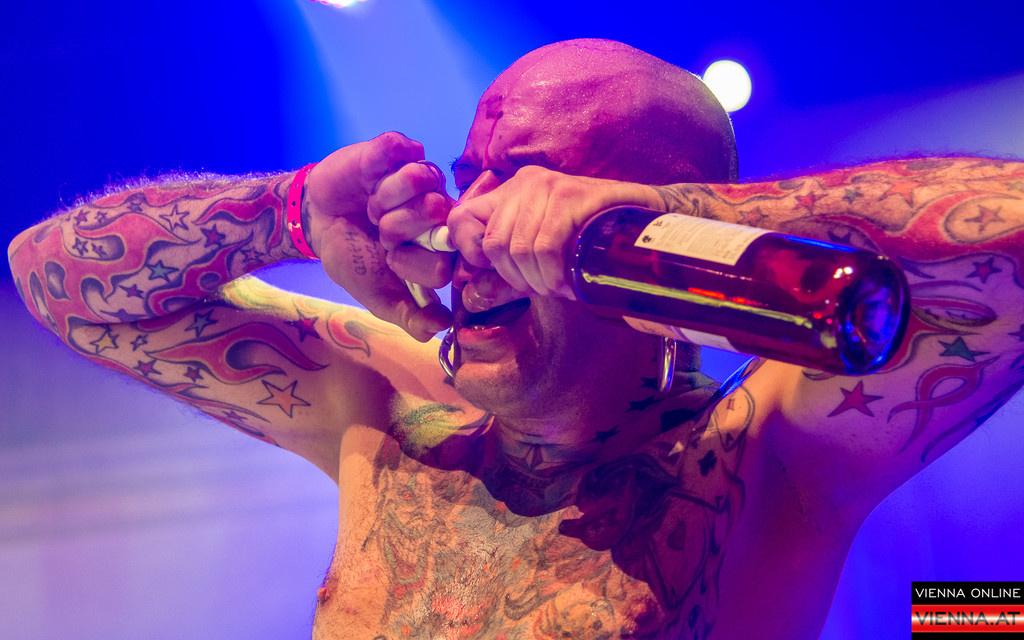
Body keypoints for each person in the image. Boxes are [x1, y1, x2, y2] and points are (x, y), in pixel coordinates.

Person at [7, 38, 1024, 639]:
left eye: (531, 183)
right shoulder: (384, 400)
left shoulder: (770, 452)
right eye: (473, 180)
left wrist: (670, 217)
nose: (469, 226)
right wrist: (288, 211)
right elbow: (57, 280)